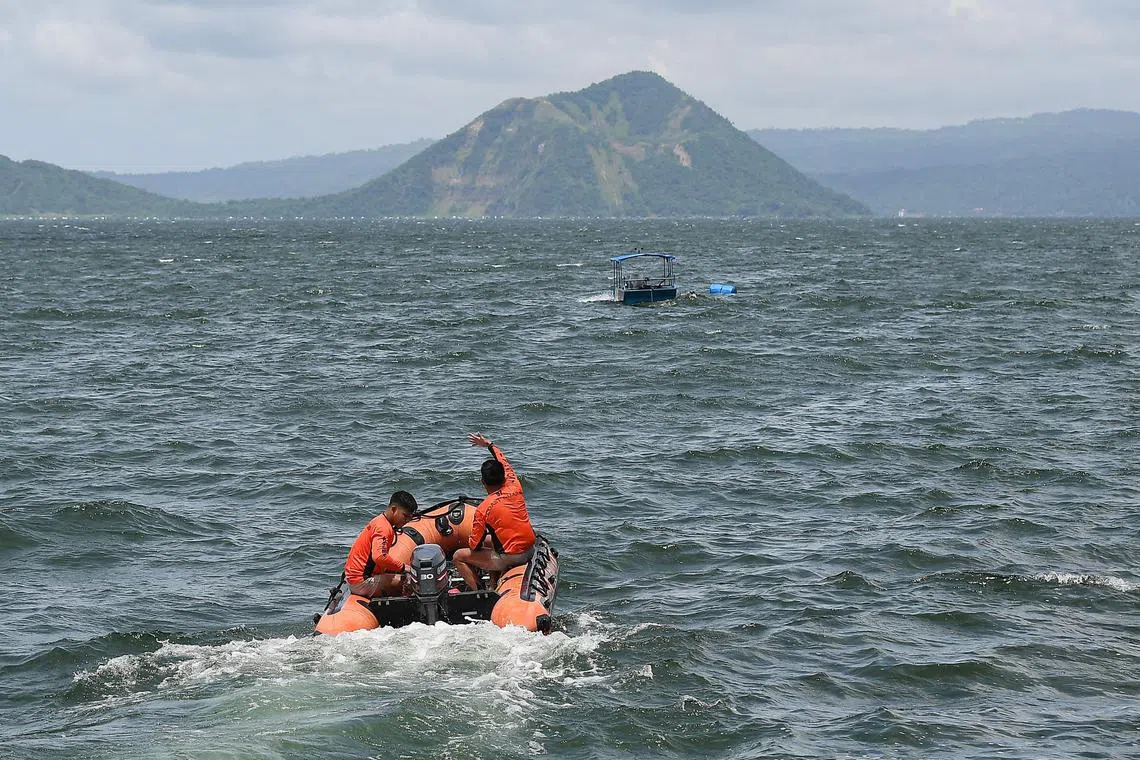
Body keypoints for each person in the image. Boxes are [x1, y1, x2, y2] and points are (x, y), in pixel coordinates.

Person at [452, 433, 537, 591]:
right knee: (491, 542)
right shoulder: (515, 486)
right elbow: (503, 461)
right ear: (504, 477)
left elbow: (474, 545)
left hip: (511, 557)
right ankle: (493, 584)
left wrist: (470, 540)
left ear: (482, 481)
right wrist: (489, 444)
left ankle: (480, 592)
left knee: (458, 556)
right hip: (530, 549)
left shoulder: (484, 508)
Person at [343, 490, 418, 597]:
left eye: (410, 517)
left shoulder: (379, 520)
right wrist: (403, 567)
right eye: (405, 516)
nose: (407, 520)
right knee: (411, 582)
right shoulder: (383, 528)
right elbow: (379, 557)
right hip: (361, 581)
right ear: (394, 509)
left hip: (356, 577)